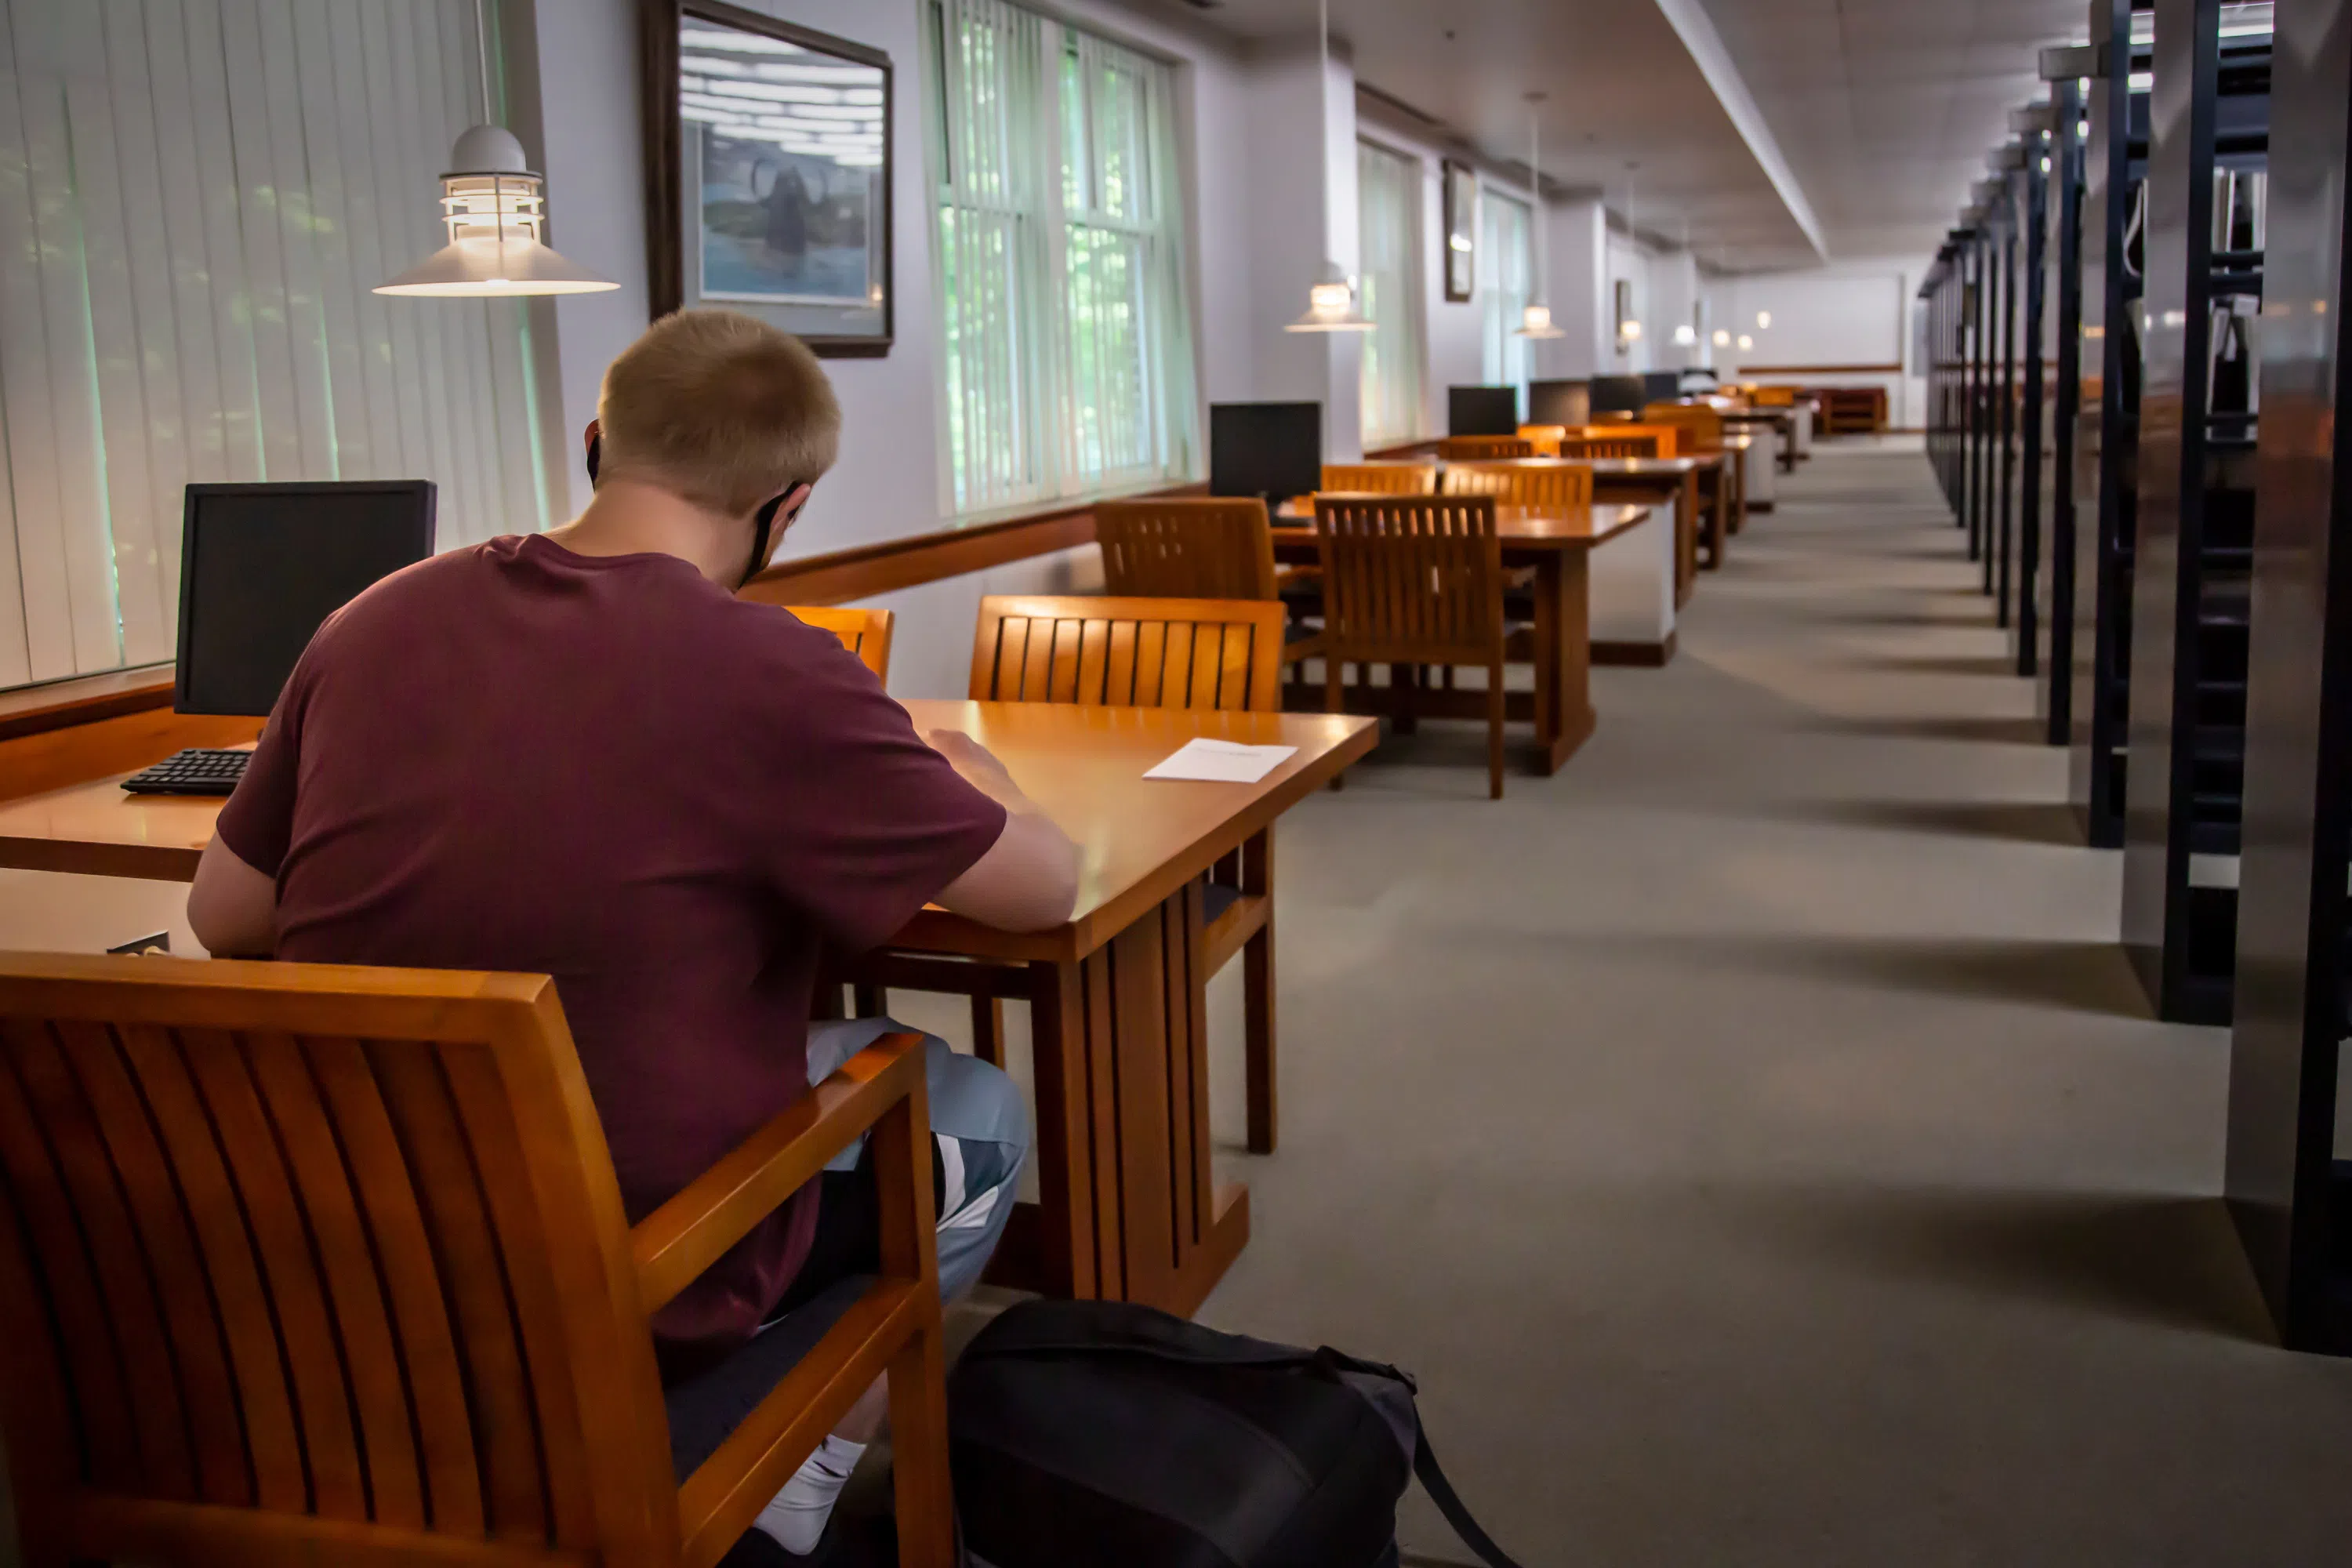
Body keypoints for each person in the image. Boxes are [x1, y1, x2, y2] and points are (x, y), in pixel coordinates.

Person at [187, 308, 1080, 1560]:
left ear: (596, 438)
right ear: (792, 503)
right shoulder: (775, 669)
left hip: (343, 1241)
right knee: (975, 1103)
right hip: (621, 1259)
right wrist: (979, 771)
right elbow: (1042, 889)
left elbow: (223, 915)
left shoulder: (370, 619)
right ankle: (776, 1478)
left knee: (822, 1043)